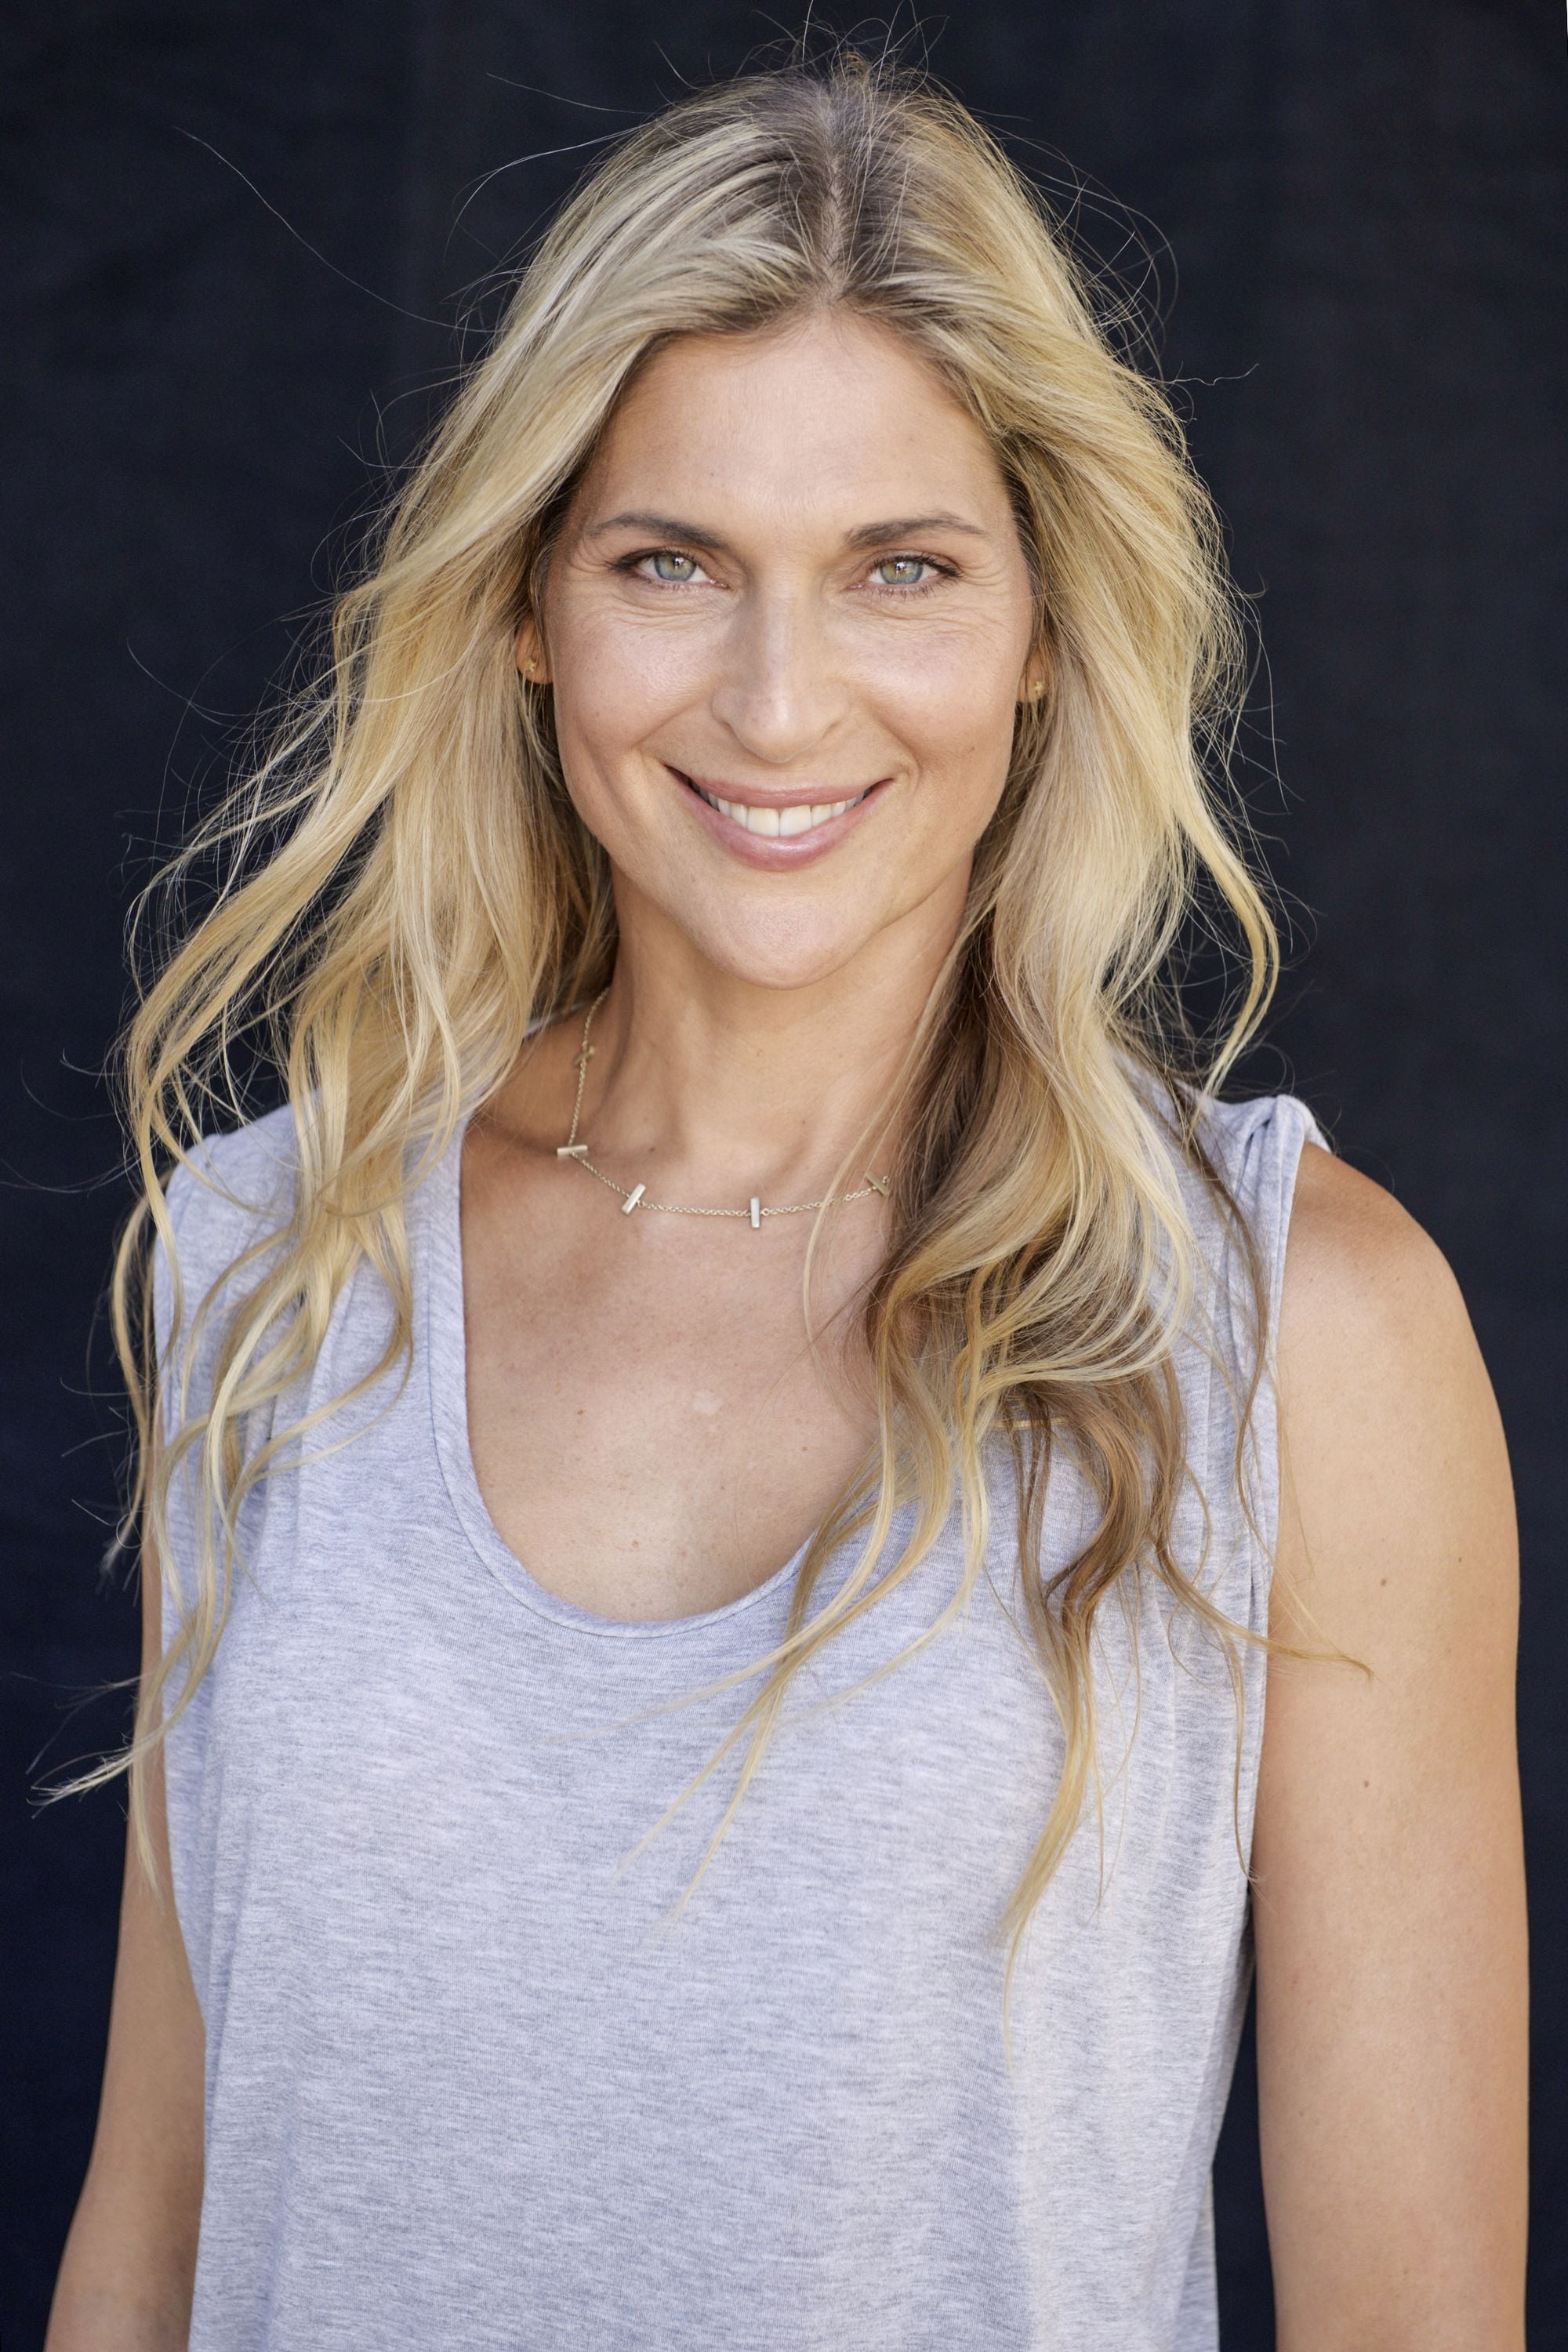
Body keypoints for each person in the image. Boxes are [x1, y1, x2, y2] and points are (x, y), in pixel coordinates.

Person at [46, 51, 1526, 2352]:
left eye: (899, 572)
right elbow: (153, 2238)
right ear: (529, 608)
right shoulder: (272, 1265)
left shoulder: (1285, 1330)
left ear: (1042, 634)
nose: (775, 699)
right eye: (671, 564)